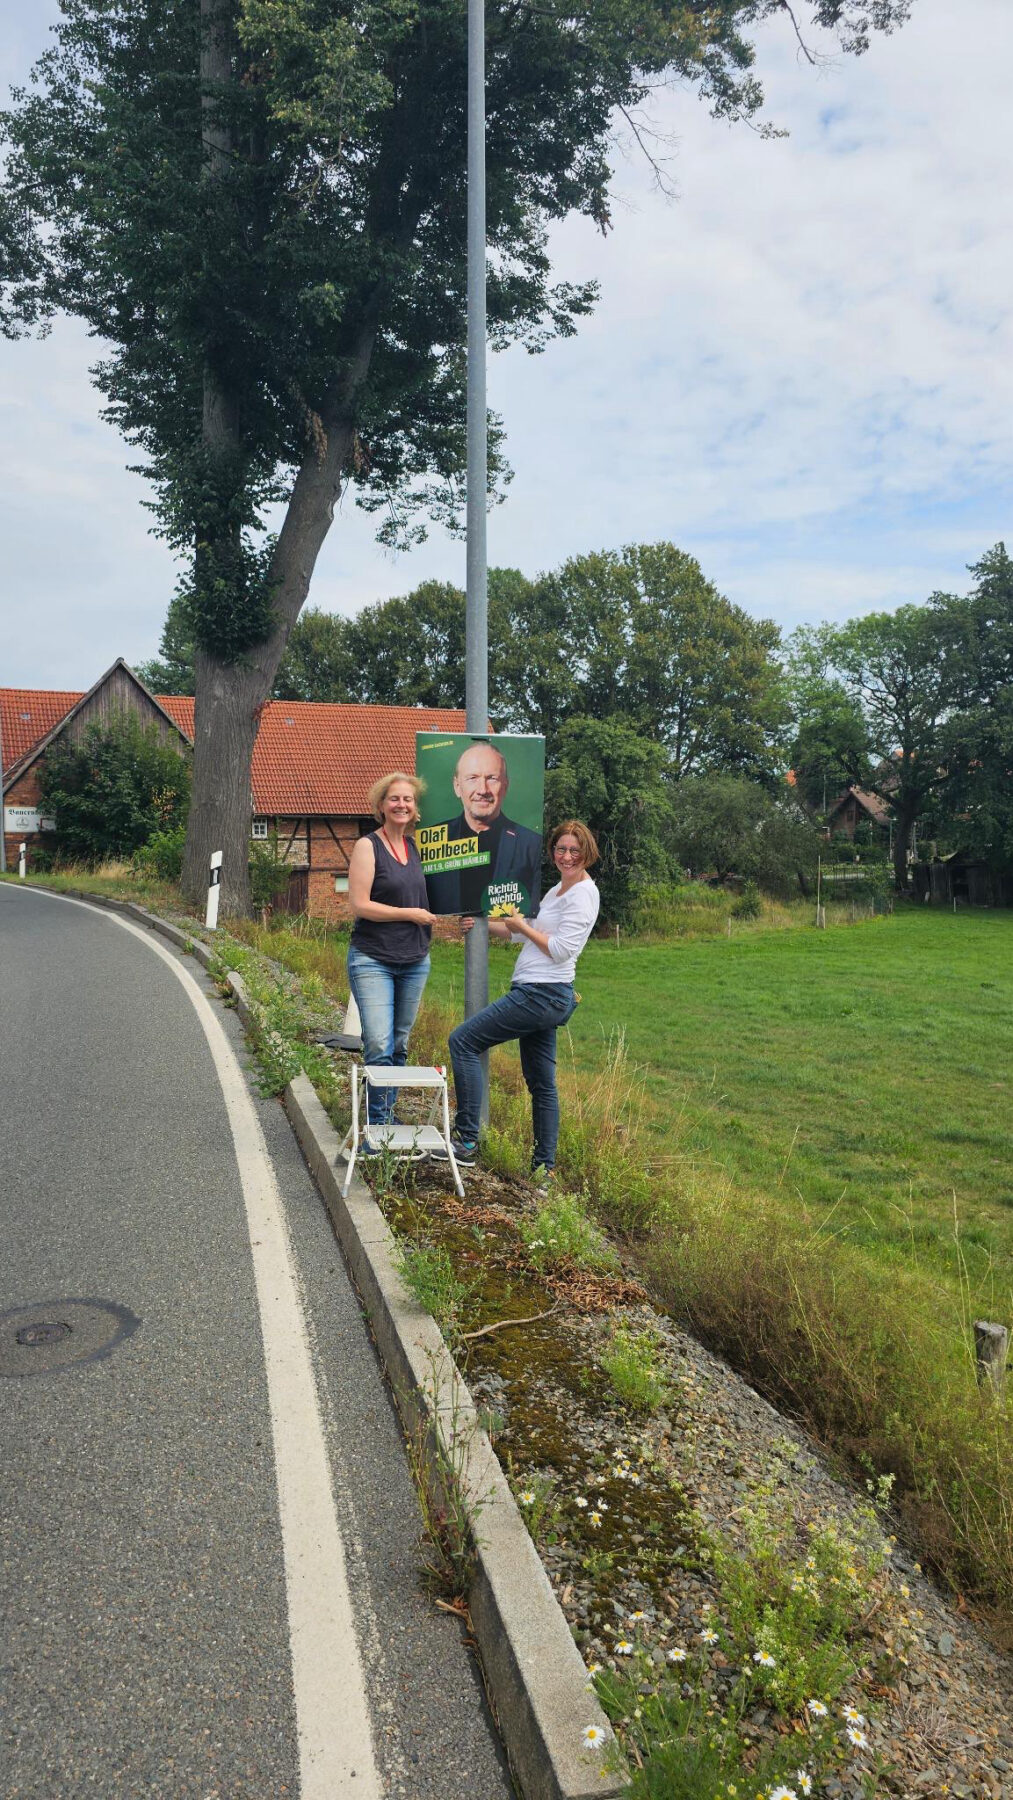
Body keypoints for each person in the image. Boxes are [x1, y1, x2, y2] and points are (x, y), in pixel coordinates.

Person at [435, 820, 601, 1178]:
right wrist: (480, 923)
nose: (567, 856)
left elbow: (560, 950)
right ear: (552, 851)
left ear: (587, 852)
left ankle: (465, 1141)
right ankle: (543, 1171)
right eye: (561, 849)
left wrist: (522, 925)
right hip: (542, 992)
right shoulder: (559, 890)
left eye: (574, 850)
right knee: (542, 1083)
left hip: (541, 992)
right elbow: (524, 935)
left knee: (462, 1040)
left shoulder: (584, 893)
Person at [346, 772, 437, 1139]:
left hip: (415, 958)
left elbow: (436, 897)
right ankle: (377, 1128)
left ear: (416, 809)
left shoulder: (418, 848)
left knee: (399, 1043)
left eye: (408, 800)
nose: (402, 805)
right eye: (394, 799)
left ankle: (386, 1118)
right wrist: (409, 914)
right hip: (373, 958)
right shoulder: (368, 846)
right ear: (381, 806)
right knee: (379, 1043)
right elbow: (360, 904)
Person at [423, 741, 543, 915]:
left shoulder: (531, 845)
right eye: (472, 778)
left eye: (491, 778)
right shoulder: (432, 841)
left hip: (504, 940)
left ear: (505, 786)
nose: (482, 790)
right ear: (457, 787)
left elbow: (531, 912)